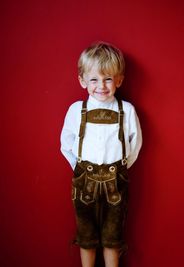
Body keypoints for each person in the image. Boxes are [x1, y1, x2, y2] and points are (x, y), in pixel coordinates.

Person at [60, 42, 142, 267]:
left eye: (108, 79)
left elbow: (135, 144)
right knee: (86, 235)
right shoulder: (77, 110)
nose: (101, 86)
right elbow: (66, 143)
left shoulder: (127, 110)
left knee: (112, 235)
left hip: (116, 181)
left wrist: (120, 168)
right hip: (83, 181)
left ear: (119, 80)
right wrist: (80, 168)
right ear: (82, 80)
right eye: (94, 79)